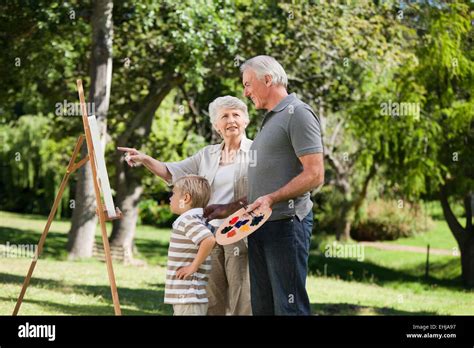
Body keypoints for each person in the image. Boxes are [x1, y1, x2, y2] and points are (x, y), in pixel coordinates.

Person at [117, 96, 253, 315]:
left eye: (236, 115)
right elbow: (172, 173)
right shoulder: (207, 155)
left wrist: (230, 208)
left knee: (243, 298)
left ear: (246, 120)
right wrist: (145, 159)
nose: (231, 120)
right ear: (216, 125)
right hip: (210, 234)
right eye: (224, 116)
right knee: (212, 300)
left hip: (242, 234)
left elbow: (263, 194)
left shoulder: (256, 153)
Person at [241, 55, 325, 315]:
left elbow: (315, 175)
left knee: (289, 308)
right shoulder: (271, 118)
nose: (246, 92)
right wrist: (231, 206)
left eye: (247, 84)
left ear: (267, 79)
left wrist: (272, 199)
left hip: (286, 224)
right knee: (263, 308)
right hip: (259, 225)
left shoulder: (298, 113)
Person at [164, 175, 215, 315]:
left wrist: (193, 266)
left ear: (185, 198)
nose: (170, 197)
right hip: (187, 296)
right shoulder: (196, 219)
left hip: (188, 295)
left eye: (173, 193)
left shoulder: (188, 220)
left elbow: (209, 240)